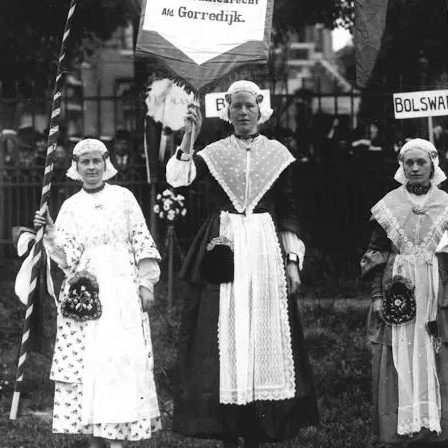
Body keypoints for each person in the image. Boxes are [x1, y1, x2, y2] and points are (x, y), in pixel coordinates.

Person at [166, 80, 318, 447]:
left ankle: (259, 427)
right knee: (224, 332)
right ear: (228, 112)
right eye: (236, 106)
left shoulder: (278, 154)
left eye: (249, 105)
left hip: (265, 249)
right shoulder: (214, 152)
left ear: (260, 111)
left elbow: (289, 211)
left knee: (261, 332)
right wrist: (189, 136)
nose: (243, 112)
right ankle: (228, 426)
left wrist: (292, 262)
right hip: (225, 247)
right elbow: (179, 178)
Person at [361, 138, 448, 444]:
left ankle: (439, 427)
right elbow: (376, 254)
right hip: (399, 293)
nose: (416, 168)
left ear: (433, 165)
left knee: (438, 351)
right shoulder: (388, 204)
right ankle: (403, 428)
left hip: (437, 294)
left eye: (422, 162)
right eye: (410, 163)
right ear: (402, 167)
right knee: (402, 354)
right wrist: (378, 296)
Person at [33, 138, 162, 448]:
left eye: (96, 161)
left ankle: (116, 434)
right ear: (75, 168)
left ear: (107, 164)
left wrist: (146, 283)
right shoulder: (71, 206)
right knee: (89, 360)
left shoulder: (124, 198)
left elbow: (141, 239)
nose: (91, 167)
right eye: (84, 162)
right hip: (86, 290)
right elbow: (67, 258)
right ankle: (95, 434)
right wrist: (50, 230)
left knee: (120, 357)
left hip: (123, 290)